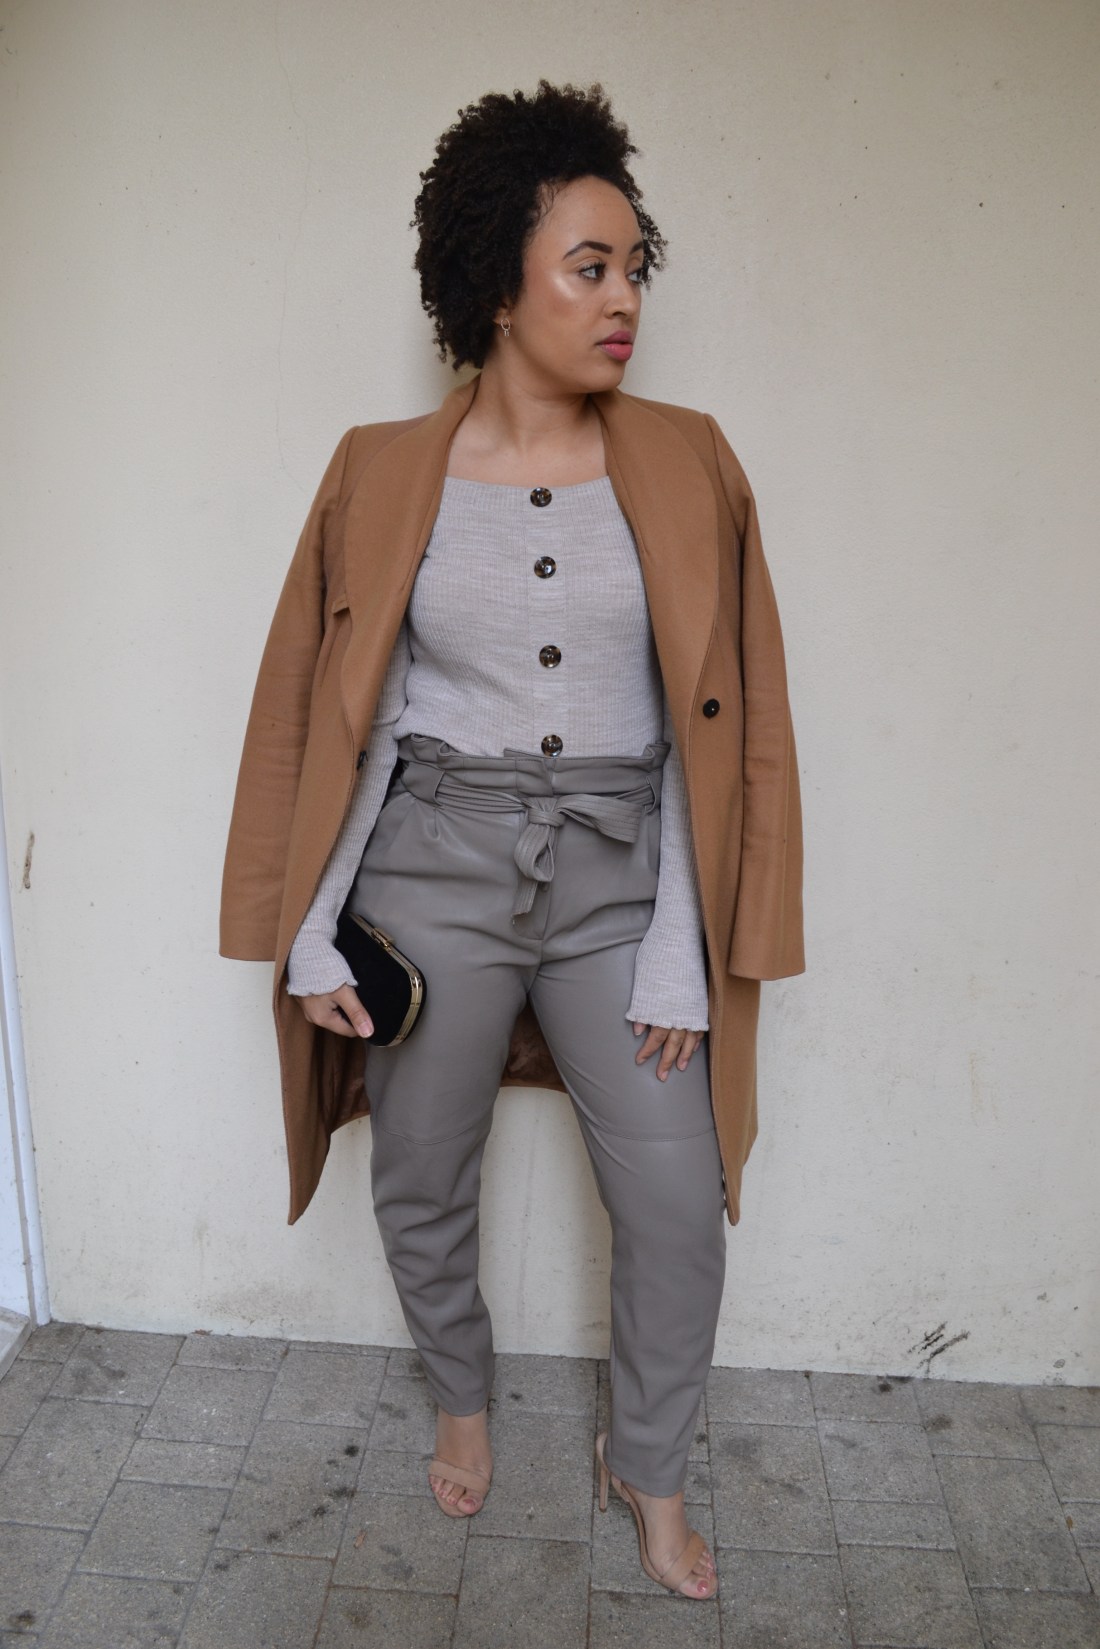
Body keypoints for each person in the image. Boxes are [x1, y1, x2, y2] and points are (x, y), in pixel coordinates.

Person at [219, 81, 804, 1601]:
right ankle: (463, 1395)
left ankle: (648, 1465)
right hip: (433, 866)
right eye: (588, 267)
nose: (624, 301)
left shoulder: (689, 459)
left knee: (675, 1198)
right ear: (496, 281)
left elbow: (716, 726)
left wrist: (679, 948)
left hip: (622, 877)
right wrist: (310, 926)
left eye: (634, 268)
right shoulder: (378, 468)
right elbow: (349, 714)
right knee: (421, 1169)